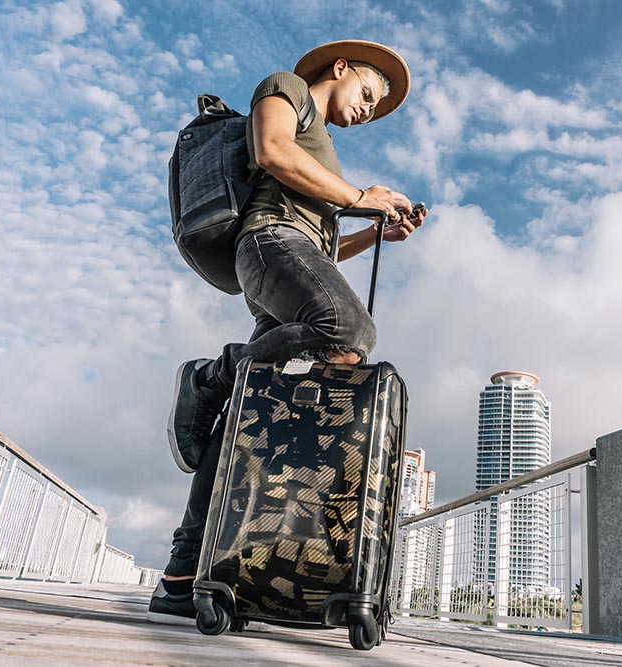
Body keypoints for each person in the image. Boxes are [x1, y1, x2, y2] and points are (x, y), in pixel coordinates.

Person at [148, 40, 428, 623]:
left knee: (249, 418)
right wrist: (359, 196)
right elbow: (273, 152)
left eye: (376, 109)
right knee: (349, 330)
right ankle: (215, 373)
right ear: (340, 68)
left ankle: (180, 573)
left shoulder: (326, 158)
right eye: (368, 95)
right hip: (270, 244)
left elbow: (321, 249)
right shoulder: (288, 88)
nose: (368, 110)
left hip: (292, 253)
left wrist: (374, 233)